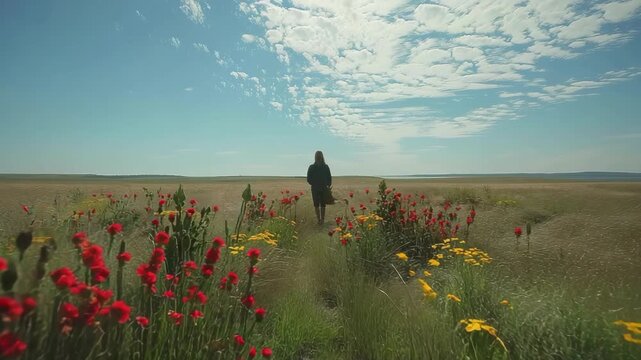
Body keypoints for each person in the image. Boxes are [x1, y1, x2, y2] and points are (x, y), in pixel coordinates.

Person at [307, 150, 332, 225]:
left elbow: (329, 177)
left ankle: (322, 220)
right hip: (315, 189)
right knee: (316, 205)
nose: (318, 157)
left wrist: (328, 186)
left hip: (323, 189)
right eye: (317, 155)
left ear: (322, 156)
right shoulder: (312, 167)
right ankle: (319, 220)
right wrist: (314, 184)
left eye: (319, 155)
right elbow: (308, 178)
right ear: (315, 157)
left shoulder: (325, 167)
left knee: (323, 205)